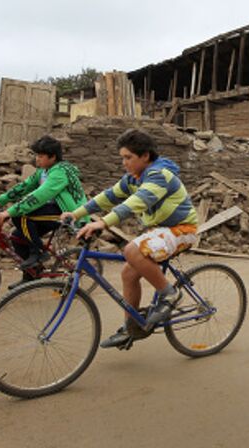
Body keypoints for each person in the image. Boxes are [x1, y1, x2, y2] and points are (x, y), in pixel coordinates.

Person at [63, 128, 197, 348]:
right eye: (122, 158)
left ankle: (170, 295)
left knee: (131, 251)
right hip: (160, 232)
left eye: (128, 157)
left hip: (182, 230)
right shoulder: (132, 178)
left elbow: (138, 202)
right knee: (128, 274)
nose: (124, 162)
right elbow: (107, 197)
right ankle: (132, 327)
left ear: (145, 156)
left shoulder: (158, 175)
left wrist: (103, 222)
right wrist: (76, 214)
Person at [0, 135, 88, 288]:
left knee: (21, 215)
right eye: (36, 155)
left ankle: (39, 252)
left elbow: (41, 195)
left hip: (66, 213)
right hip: (49, 211)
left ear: (52, 157)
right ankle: (31, 274)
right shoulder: (43, 171)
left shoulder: (60, 172)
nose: (37, 159)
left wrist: (10, 211)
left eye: (41, 156)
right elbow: (24, 187)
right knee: (17, 237)